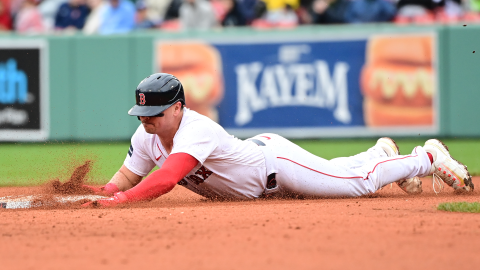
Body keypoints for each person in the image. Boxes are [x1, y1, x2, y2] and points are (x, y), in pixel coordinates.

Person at [83, 73, 474, 207]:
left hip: (275, 166)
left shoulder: (195, 129)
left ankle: (426, 156)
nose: (147, 120)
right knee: (334, 174)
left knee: (359, 186)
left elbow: (167, 179)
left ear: (179, 108)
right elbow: (126, 179)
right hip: (264, 173)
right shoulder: (147, 134)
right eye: (143, 114)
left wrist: (121, 202)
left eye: (155, 112)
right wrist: (96, 191)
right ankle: (380, 152)